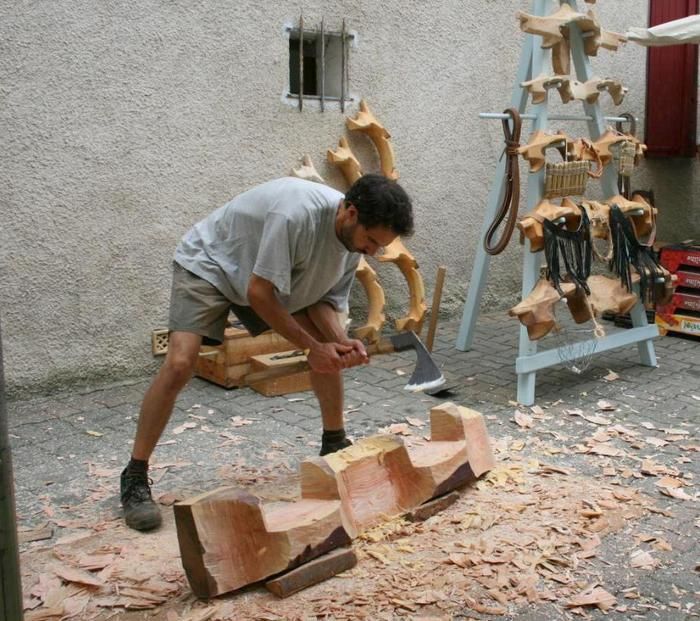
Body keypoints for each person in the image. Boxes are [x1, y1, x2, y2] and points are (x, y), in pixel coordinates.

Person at [120, 174, 414, 531]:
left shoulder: (355, 244)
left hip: (262, 275)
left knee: (328, 345)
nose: (372, 252)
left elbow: (322, 301)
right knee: (180, 363)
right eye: (370, 241)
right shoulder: (295, 215)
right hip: (212, 262)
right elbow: (260, 294)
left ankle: (334, 444)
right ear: (350, 213)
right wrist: (312, 347)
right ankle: (134, 476)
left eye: (379, 246)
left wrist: (339, 341)